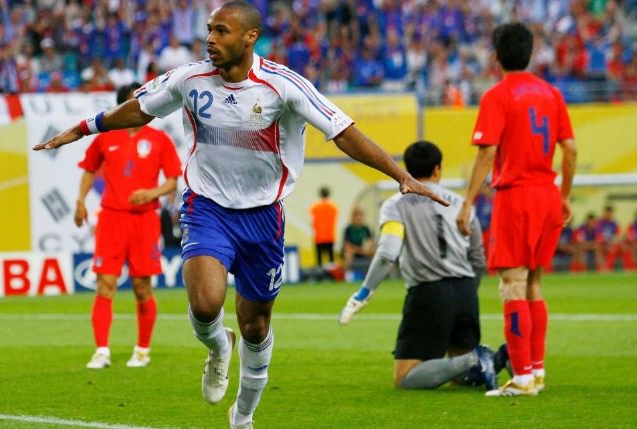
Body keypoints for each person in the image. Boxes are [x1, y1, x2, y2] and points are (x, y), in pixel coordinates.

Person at [34, 3, 447, 427]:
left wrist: (400, 176)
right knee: (205, 303)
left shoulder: (283, 85)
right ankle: (218, 347)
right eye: (209, 30)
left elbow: (342, 133)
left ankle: (243, 416)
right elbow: (140, 109)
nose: (210, 39)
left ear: (250, 37)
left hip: (263, 217)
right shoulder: (189, 79)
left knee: (256, 325)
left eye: (222, 31)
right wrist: (84, 128)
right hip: (207, 206)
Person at [456, 22, 577, 397]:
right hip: (548, 194)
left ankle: (522, 378)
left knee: (511, 285)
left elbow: (487, 152)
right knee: (534, 284)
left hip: (517, 197)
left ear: (495, 56)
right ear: (530, 53)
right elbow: (571, 149)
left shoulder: (497, 96)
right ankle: (536, 372)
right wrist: (565, 196)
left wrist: (467, 202)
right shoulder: (552, 93)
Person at [338, 141, 496, 391]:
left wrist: (364, 292)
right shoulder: (461, 203)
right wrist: (468, 291)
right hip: (465, 290)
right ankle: (500, 357)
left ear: (407, 170)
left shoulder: (396, 204)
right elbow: (478, 257)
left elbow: (388, 252)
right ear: (437, 169)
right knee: (459, 376)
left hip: (429, 293)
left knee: (405, 377)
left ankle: (477, 358)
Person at [76, 83, 182, 369]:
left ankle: (142, 350)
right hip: (111, 218)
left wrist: (151, 193)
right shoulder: (106, 137)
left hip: (144, 219)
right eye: (135, 102)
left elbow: (172, 181)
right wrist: (80, 201)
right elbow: (88, 169)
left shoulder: (159, 139)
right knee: (105, 284)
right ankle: (101, 351)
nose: (142, 106)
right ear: (123, 107)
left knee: (142, 287)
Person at [309, 186, 338, 267]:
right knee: (331, 258)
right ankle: (332, 271)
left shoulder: (314, 207)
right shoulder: (334, 207)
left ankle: (319, 271)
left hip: (319, 236)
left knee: (319, 259)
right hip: (330, 235)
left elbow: (312, 221)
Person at [342, 206, 375, 274]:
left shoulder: (366, 229)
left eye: (360, 215)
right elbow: (347, 246)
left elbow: (370, 242)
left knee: (376, 252)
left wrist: (369, 249)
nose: (359, 217)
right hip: (354, 252)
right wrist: (360, 251)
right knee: (348, 253)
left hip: (365, 251)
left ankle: (374, 273)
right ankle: (347, 274)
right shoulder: (349, 229)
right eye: (357, 215)